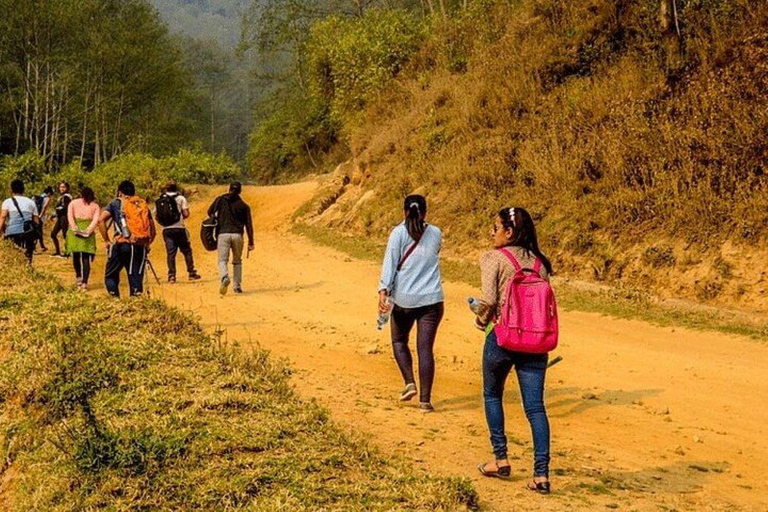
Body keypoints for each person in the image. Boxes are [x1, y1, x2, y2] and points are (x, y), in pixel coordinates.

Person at [474, 207, 554, 494]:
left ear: (509, 232)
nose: (491, 232)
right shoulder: (540, 262)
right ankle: (541, 475)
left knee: (492, 394)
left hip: (503, 337)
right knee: (535, 408)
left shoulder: (493, 258)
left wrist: (479, 319)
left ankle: (501, 458)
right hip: (535, 341)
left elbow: (489, 301)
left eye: (494, 227)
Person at [377, 195, 444, 413]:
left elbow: (390, 262)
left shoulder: (398, 233)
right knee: (425, 349)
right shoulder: (436, 233)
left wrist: (383, 290)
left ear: (404, 211)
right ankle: (425, 401)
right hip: (432, 299)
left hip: (405, 299)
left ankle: (409, 382)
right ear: (425, 212)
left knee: (398, 341)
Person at [97, 180, 156, 297]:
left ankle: (115, 300)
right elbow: (152, 230)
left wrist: (107, 240)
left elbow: (100, 220)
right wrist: (146, 243)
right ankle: (136, 305)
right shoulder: (142, 205)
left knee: (111, 275)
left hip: (122, 244)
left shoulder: (116, 203)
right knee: (136, 278)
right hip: (139, 246)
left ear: (120, 192)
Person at [207, 182, 253, 295]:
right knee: (237, 261)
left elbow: (209, 212)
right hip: (237, 235)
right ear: (240, 191)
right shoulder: (244, 206)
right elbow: (249, 225)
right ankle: (237, 287)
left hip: (223, 234)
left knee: (222, 260)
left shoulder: (220, 200)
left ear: (229, 189)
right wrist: (251, 241)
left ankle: (224, 277)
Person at [156, 183, 201, 283]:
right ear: (176, 189)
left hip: (166, 229)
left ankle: (171, 275)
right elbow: (186, 213)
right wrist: (179, 218)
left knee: (171, 253)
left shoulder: (161, 199)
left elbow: (157, 215)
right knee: (186, 251)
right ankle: (191, 273)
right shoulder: (181, 198)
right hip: (179, 228)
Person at [66, 186, 100, 291]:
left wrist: (75, 228)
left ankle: (79, 278)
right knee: (86, 258)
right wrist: (88, 231)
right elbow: (95, 220)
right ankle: (85, 282)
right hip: (87, 233)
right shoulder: (95, 206)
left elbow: (70, 217)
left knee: (76, 256)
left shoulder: (73, 203)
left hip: (74, 232)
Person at [0, 179, 40, 263]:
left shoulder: (7, 202)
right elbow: (36, 221)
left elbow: (3, 217)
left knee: (14, 254)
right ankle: (28, 268)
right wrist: (36, 234)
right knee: (28, 255)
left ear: (11, 190)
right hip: (28, 232)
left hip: (12, 232)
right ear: (23, 189)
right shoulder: (31, 202)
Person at [50, 181, 72, 258]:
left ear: (67, 188)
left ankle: (67, 252)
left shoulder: (66, 197)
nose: (61, 189)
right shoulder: (61, 197)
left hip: (64, 217)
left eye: (63, 187)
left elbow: (66, 208)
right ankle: (58, 251)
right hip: (60, 218)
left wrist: (57, 210)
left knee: (65, 234)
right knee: (53, 234)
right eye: (60, 187)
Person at [34, 186, 54, 252]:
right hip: (40, 217)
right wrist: (40, 215)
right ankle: (36, 247)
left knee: (36, 231)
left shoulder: (38, 197)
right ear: (49, 193)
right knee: (39, 232)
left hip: (34, 216)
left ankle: (41, 246)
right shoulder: (47, 198)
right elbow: (44, 207)